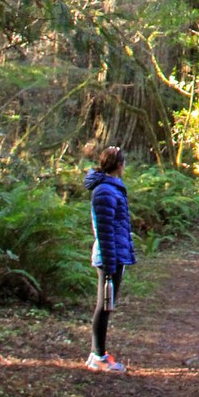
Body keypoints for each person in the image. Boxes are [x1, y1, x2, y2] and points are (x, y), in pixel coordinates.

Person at [84, 145, 136, 373]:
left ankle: (99, 353)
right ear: (119, 165)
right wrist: (110, 262)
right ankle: (98, 355)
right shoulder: (105, 191)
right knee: (104, 306)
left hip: (116, 256)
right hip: (108, 258)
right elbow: (105, 231)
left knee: (108, 305)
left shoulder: (113, 188)